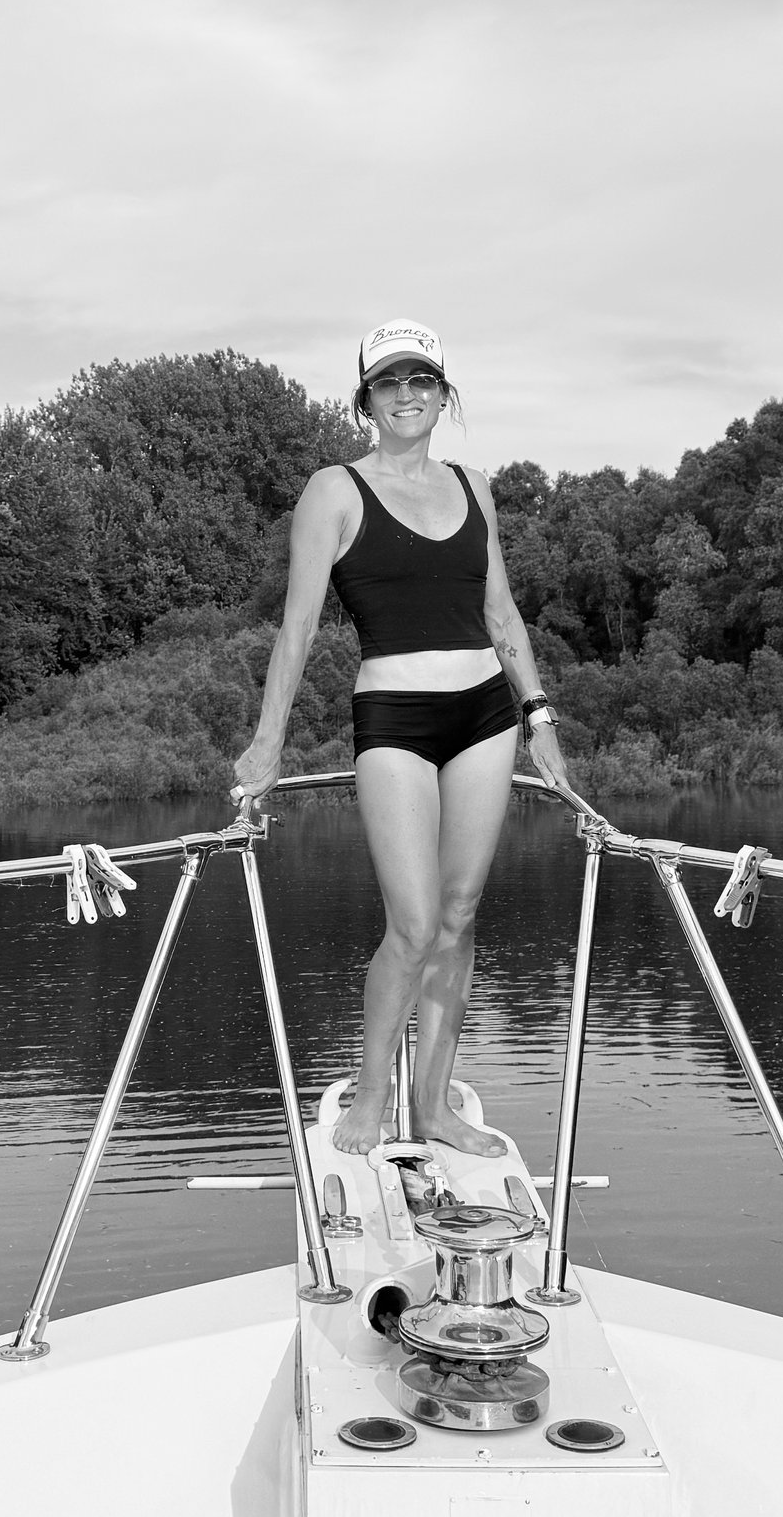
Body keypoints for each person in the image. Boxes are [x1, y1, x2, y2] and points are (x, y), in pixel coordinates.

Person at [233, 319, 574, 1157]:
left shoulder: (474, 485)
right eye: (389, 382)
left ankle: (432, 1106)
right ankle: (371, 1094)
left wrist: (538, 717)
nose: (407, 394)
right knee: (414, 923)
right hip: (394, 719)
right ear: (366, 400)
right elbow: (297, 627)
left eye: (422, 379)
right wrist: (267, 742)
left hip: (485, 717)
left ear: (444, 394)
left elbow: (501, 612)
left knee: (458, 915)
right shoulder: (335, 491)